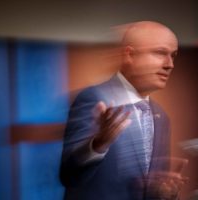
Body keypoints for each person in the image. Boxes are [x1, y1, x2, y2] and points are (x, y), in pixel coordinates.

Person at [60, 21, 188, 200]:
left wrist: (164, 192)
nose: (170, 64)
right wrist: (97, 145)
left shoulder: (161, 116)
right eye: (160, 53)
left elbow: (151, 189)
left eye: (173, 55)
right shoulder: (93, 98)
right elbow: (69, 174)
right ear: (130, 55)